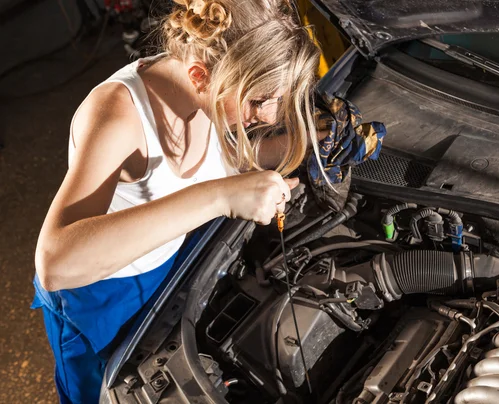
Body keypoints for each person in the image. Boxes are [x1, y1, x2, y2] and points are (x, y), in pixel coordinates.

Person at [31, 0, 323, 402]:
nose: (270, 115)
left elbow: (226, 162)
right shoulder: (118, 114)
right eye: (258, 101)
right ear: (201, 76)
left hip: (169, 268)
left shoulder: (211, 96)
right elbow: (55, 263)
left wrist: (304, 144)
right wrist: (220, 197)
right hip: (99, 294)